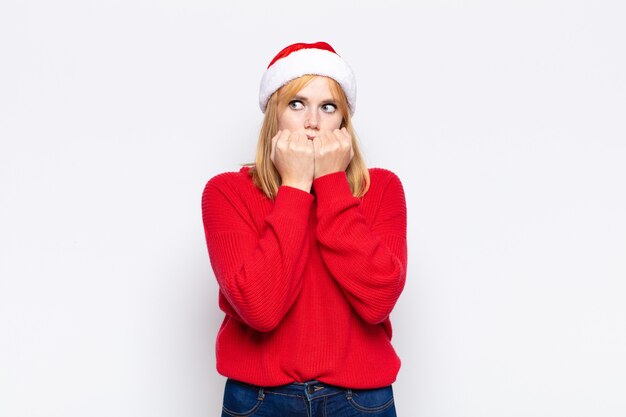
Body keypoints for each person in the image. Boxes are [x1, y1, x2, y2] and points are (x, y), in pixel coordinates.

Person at [201, 41, 407, 417]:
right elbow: (260, 309)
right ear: (275, 115)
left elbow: (378, 302)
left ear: (343, 122)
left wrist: (330, 182)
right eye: (297, 104)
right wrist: (295, 187)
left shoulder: (382, 189)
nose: (312, 121)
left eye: (328, 107)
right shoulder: (226, 193)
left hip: (360, 402)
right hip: (260, 401)